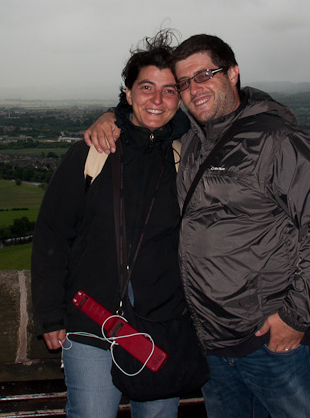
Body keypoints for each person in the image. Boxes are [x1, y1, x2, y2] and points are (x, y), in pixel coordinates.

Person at [85, 34, 310, 418]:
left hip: (272, 340)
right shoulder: (193, 141)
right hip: (212, 345)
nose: (194, 89)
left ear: (233, 73)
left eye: (204, 75)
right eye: (184, 83)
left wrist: (297, 317)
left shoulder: (278, 141)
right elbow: (146, 114)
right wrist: (110, 116)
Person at [32, 31, 197, 418]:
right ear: (127, 93)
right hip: (92, 323)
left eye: (169, 90)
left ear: (180, 98)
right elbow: (53, 234)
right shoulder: (92, 154)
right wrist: (50, 315)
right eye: (146, 87)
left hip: (160, 326)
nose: (157, 100)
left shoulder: (188, 159)